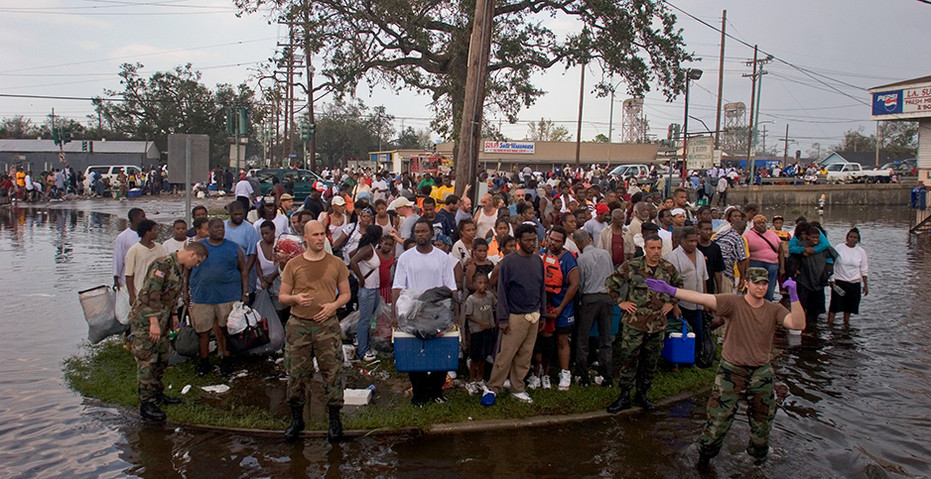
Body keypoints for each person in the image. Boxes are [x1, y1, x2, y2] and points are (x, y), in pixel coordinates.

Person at [643, 268, 806, 468]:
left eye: (764, 283)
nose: (761, 287)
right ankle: (704, 459)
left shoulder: (774, 309)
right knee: (718, 422)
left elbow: (798, 323)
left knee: (762, 423)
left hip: (761, 372)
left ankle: (757, 461)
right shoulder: (733, 303)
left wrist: (794, 297)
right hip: (732, 370)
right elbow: (702, 298)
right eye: (757, 283)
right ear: (747, 283)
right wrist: (671, 290)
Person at [278, 221, 351, 442]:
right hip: (299, 324)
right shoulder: (294, 264)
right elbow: (282, 296)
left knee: (332, 371)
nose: (320, 238)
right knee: (297, 372)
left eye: (323, 234)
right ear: (306, 238)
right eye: (315, 235)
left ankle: (335, 419)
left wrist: (333, 306)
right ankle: (297, 418)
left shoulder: (336, 263)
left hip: (326, 325)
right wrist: (295, 299)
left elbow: (345, 294)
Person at [130, 242, 208, 421]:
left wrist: (173, 315)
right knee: (148, 359)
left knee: (161, 358)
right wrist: (153, 322)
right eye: (197, 262)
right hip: (147, 320)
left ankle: (157, 393)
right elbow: (151, 294)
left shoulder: (178, 267)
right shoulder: (162, 264)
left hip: (163, 318)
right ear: (192, 254)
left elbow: (170, 295)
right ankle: (146, 403)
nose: (196, 266)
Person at [605, 235, 683, 413]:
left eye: (658, 248)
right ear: (645, 249)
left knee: (650, 362)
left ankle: (642, 394)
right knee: (629, 360)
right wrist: (620, 302)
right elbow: (610, 283)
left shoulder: (668, 269)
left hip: (657, 325)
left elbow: (679, 286)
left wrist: (672, 302)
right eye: (652, 248)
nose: (656, 252)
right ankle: (624, 396)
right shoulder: (632, 266)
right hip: (635, 324)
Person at [391, 219, 458, 405]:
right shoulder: (405, 258)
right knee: (415, 354)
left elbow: (451, 288)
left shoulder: (443, 257)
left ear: (431, 234)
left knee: (439, 353)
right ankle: (419, 394)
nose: (420, 234)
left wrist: (456, 316)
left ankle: (436, 392)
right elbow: (397, 288)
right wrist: (394, 316)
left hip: (438, 312)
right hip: (413, 313)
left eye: (424, 231)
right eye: (417, 231)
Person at [482, 224, 546, 406]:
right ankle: (493, 387)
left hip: (534, 314)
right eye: (527, 240)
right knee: (506, 354)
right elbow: (501, 291)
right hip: (514, 316)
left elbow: (542, 289)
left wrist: (543, 315)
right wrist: (503, 318)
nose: (531, 243)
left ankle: (518, 388)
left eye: (533, 240)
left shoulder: (538, 261)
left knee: (525, 354)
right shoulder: (509, 262)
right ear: (518, 241)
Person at [188, 218, 247, 377]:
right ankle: (204, 361)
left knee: (226, 331)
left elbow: (243, 270)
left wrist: (245, 292)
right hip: (202, 297)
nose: (220, 230)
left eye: (222, 227)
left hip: (228, 296)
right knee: (203, 332)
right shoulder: (198, 247)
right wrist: (183, 291)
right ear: (208, 230)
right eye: (216, 228)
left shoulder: (234, 248)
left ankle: (227, 361)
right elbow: (185, 269)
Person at [536, 225, 579, 391]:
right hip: (543, 304)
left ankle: (565, 373)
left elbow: (574, 284)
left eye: (557, 241)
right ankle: (539, 372)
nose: (552, 243)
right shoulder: (540, 255)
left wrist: (561, 307)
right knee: (542, 339)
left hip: (562, 305)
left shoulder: (568, 258)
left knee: (562, 338)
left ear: (563, 242)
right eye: (551, 239)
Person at [572, 229, 615, 387]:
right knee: (606, 338)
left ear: (578, 243)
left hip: (589, 298)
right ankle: (607, 376)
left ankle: (583, 377)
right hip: (607, 296)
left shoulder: (581, 259)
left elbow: (580, 283)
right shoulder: (605, 254)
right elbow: (612, 276)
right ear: (590, 239)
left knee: (583, 338)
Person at [665, 226, 708, 362]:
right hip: (682, 303)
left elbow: (703, 279)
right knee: (681, 332)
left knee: (698, 333)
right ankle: (679, 360)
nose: (694, 244)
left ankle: (694, 358)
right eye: (690, 241)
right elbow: (671, 284)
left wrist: (706, 300)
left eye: (696, 241)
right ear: (682, 241)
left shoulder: (700, 255)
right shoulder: (673, 257)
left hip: (698, 302)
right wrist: (675, 305)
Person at [348, 225, 384, 362]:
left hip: (373, 289)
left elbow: (352, 254)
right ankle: (363, 350)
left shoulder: (369, 247)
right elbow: (352, 260)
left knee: (371, 317)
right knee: (364, 320)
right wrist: (360, 278)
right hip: (367, 290)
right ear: (378, 237)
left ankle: (366, 343)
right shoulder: (368, 248)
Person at [463, 272, 496, 395]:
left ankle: (480, 379)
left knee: (483, 356)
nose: (483, 286)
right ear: (474, 284)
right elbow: (468, 315)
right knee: (475, 357)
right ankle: (471, 380)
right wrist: (480, 322)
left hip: (488, 330)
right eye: (480, 283)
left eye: (485, 283)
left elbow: (495, 305)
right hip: (476, 331)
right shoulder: (471, 299)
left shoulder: (489, 296)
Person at [828, 227, 869, 324]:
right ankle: (830, 324)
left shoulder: (861, 251)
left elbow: (864, 269)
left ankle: (846, 325)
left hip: (854, 283)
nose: (852, 239)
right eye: (851, 237)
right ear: (847, 237)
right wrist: (831, 279)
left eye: (855, 237)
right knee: (834, 306)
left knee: (849, 308)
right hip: (840, 281)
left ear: (858, 239)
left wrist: (865, 285)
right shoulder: (839, 248)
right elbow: (832, 263)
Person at [124, 220, 168, 305]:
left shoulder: (160, 248)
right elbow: (129, 275)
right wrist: (132, 296)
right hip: (141, 292)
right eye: (155, 230)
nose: (157, 232)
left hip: (158, 291)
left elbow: (165, 268)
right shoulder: (134, 250)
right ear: (147, 233)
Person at [224, 201, 261, 301]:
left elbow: (252, 254)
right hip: (226, 274)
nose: (238, 217)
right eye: (235, 214)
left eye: (241, 214)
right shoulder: (222, 227)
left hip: (245, 273)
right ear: (230, 213)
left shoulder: (249, 229)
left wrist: (244, 272)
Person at [744, 215, 782, 301]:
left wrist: (782, 267)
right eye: (759, 223)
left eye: (763, 223)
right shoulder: (748, 235)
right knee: (756, 286)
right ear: (754, 224)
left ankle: (767, 304)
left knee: (770, 287)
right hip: (755, 263)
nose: (761, 225)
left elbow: (780, 250)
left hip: (772, 264)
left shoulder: (773, 234)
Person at [113, 208, 147, 290]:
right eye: (143, 216)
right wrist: (116, 279)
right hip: (126, 279)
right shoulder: (123, 237)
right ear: (134, 218)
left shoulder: (147, 235)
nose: (145, 219)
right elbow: (118, 258)